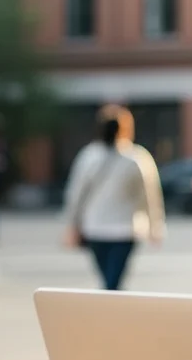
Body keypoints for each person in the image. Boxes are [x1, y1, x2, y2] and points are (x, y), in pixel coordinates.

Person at [62, 104, 165, 290]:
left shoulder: (88, 157)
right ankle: (113, 313)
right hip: (125, 230)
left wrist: (72, 225)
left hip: (95, 228)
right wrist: (155, 226)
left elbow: (75, 195)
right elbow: (150, 195)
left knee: (109, 281)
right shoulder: (137, 158)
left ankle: (109, 314)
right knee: (113, 281)